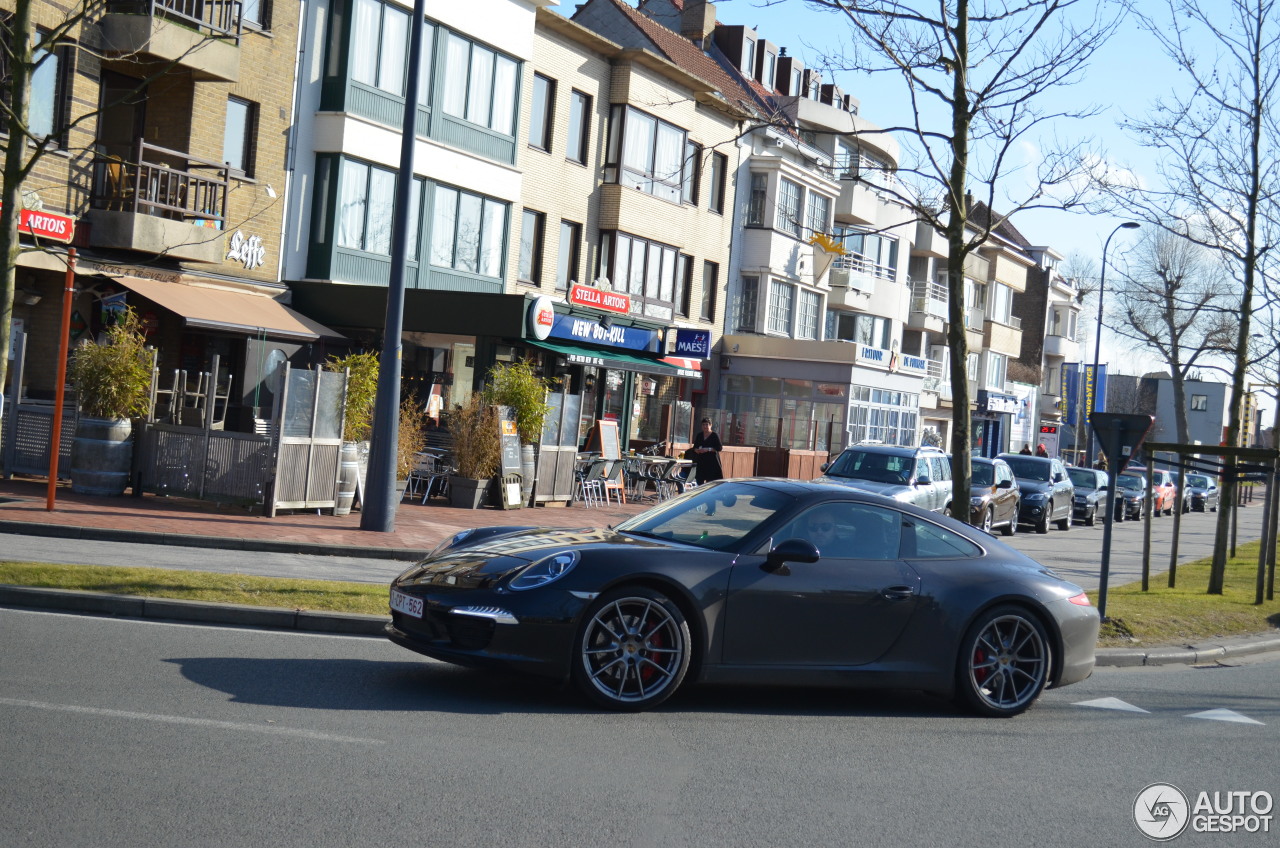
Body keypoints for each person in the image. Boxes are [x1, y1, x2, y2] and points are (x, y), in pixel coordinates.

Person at [688, 417, 724, 484]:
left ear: (710, 425)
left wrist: (708, 449)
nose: (705, 426)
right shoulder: (699, 435)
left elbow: (719, 448)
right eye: (703, 425)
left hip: (712, 464)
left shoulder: (714, 435)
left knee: (710, 483)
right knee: (699, 481)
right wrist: (697, 450)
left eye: (707, 424)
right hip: (701, 463)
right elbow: (694, 447)